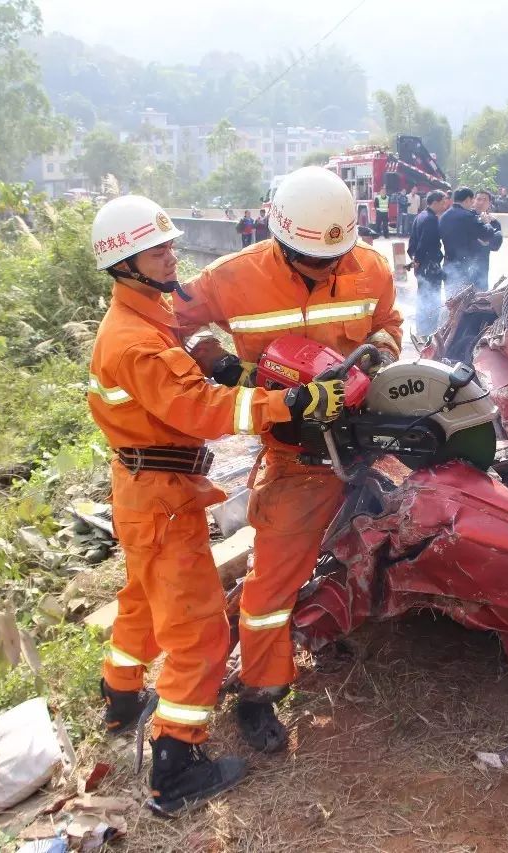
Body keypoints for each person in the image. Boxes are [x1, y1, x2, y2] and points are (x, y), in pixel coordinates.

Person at [88, 195, 344, 816]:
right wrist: (289, 404)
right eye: (157, 250)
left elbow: (192, 387)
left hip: (150, 489)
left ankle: (121, 697)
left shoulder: (146, 318)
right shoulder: (138, 342)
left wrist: (221, 363)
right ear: (123, 265)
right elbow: (202, 409)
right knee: (201, 635)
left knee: (145, 596)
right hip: (160, 495)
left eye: (170, 244)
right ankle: (174, 768)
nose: (171, 255)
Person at [175, 166, 403, 754]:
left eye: (336, 260)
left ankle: (349, 618)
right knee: (271, 582)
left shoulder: (368, 265)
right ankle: (260, 689)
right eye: (314, 262)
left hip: (370, 439)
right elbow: (167, 323)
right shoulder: (232, 278)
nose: (329, 270)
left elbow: (389, 324)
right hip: (297, 455)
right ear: (281, 239)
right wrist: (220, 363)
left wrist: (376, 354)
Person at [439, 187, 498, 291]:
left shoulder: (444, 216)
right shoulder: (467, 216)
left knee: (450, 301)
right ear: (467, 200)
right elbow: (487, 235)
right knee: (464, 302)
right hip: (465, 267)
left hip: (449, 263)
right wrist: (487, 223)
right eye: (472, 200)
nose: (473, 204)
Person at [409, 189, 451, 335]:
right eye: (443, 202)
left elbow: (412, 242)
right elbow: (423, 243)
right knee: (430, 297)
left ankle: (422, 328)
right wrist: (419, 260)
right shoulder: (430, 220)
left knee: (423, 296)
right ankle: (429, 329)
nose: (445, 205)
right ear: (436, 202)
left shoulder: (420, 216)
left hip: (422, 264)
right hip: (429, 265)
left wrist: (414, 259)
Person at [470, 190, 504, 290]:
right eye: (479, 199)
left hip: (482, 262)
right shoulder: (467, 218)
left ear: (489, 203)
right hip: (466, 261)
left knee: (481, 293)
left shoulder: (494, 222)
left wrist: (488, 242)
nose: (481, 202)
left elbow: (497, 243)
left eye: (485, 200)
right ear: (473, 201)